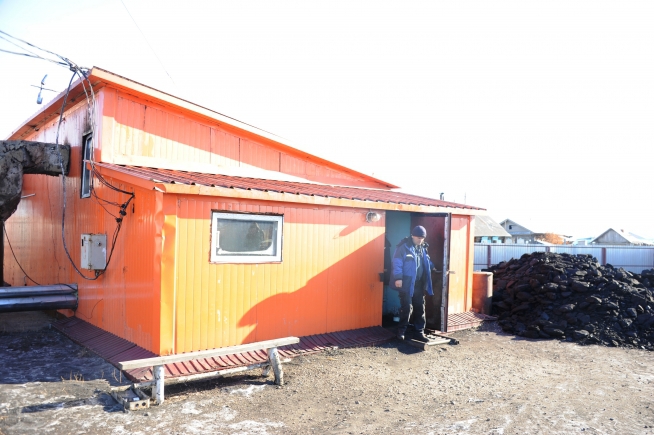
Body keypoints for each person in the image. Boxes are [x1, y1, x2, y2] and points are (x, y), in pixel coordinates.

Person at [391, 225, 435, 342]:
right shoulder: (403, 247)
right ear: (412, 236)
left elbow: (426, 261)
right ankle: (401, 332)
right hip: (406, 283)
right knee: (407, 307)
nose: (420, 240)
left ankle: (419, 332)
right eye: (418, 238)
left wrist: (432, 267)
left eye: (422, 238)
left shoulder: (423, 248)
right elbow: (397, 263)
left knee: (420, 308)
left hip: (419, 284)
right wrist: (398, 278)